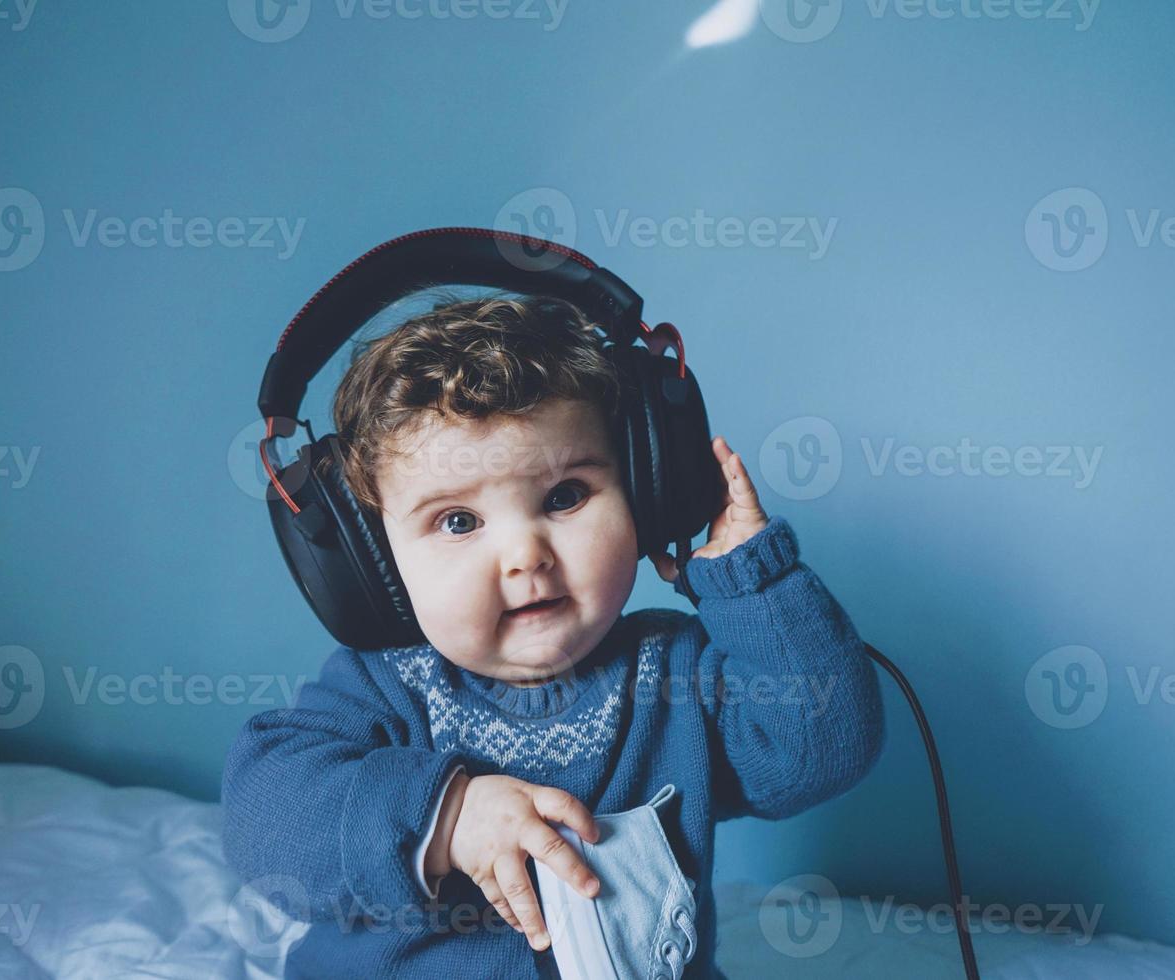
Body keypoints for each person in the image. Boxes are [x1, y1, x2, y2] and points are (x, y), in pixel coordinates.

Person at [220, 291, 886, 978]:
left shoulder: (676, 671)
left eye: (564, 497)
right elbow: (263, 818)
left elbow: (822, 750)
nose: (525, 556)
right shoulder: (382, 684)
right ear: (376, 562)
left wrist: (754, 583)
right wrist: (446, 817)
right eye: (457, 521)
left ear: (646, 494)